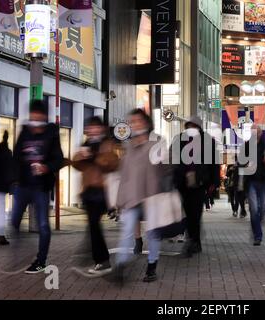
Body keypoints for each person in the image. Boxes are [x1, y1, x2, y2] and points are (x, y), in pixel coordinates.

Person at [11, 100, 64, 274]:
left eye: (38, 115)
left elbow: (58, 159)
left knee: (42, 224)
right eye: (33, 114)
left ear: (44, 116)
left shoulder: (51, 133)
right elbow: (16, 155)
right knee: (14, 221)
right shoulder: (24, 131)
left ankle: (41, 260)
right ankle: (22, 252)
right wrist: (15, 179)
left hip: (41, 187)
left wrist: (46, 167)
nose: (35, 118)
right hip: (23, 185)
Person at [115, 109, 167, 282]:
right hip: (132, 197)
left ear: (145, 124)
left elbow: (167, 169)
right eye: (131, 121)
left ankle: (151, 267)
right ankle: (120, 268)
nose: (133, 124)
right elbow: (124, 175)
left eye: (136, 121)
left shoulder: (156, 144)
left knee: (152, 234)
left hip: (152, 197)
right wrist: (119, 200)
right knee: (126, 232)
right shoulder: (128, 147)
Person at [72, 117, 119, 275]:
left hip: (102, 191)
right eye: (90, 128)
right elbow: (77, 165)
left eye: (95, 127)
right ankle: (96, 257)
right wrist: (80, 156)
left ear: (101, 129)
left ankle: (102, 260)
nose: (92, 130)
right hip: (88, 191)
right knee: (92, 226)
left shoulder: (107, 144)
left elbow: (113, 164)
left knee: (93, 225)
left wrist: (95, 156)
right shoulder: (86, 144)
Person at [173, 116, 220, 257]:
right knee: (188, 213)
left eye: (194, 126)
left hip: (199, 182)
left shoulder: (208, 141)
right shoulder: (179, 139)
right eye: (189, 126)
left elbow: (214, 163)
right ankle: (194, 240)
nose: (191, 128)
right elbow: (172, 158)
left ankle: (193, 241)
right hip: (183, 182)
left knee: (196, 213)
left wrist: (214, 182)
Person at [239, 125, 265, 246]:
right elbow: (240, 161)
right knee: (254, 209)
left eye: (258, 131)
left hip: (263, 180)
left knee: (262, 209)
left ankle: (256, 226)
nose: (256, 133)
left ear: (261, 132)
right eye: (254, 131)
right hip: (251, 180)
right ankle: (257, 236)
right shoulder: (247, 145)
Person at [0, 131, 14, 245]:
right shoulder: (7, 153)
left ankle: (1, 235)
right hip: (2, 186)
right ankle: (1, 236)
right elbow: (10, 170)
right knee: (0, 212)